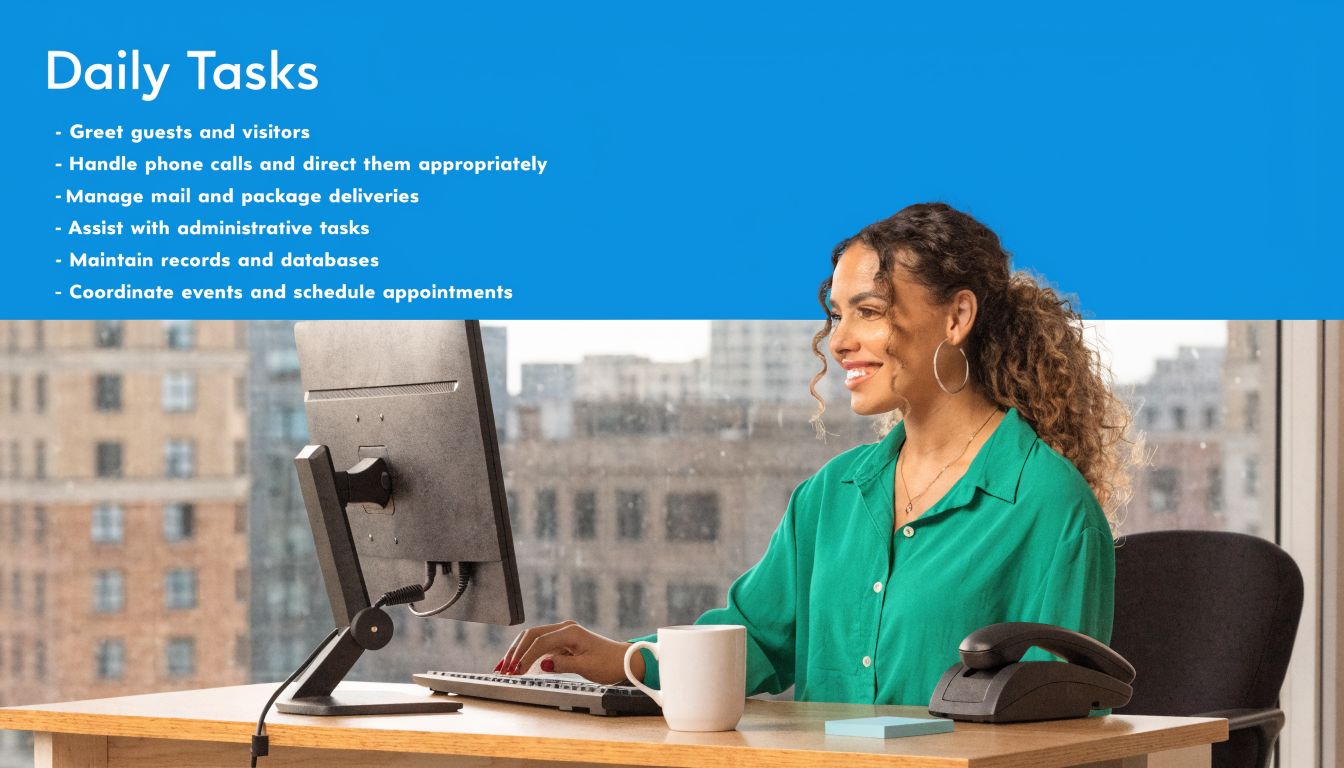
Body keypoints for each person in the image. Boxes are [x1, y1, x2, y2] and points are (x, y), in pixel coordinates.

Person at [495, 202, 1139, 705]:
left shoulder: (1052, 509)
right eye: (837, 315)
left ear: (956, 317)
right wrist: (622, 658)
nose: (839, 342)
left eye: (869, 312)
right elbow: (758, 639)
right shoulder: (830, 496)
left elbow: (1061, 723)